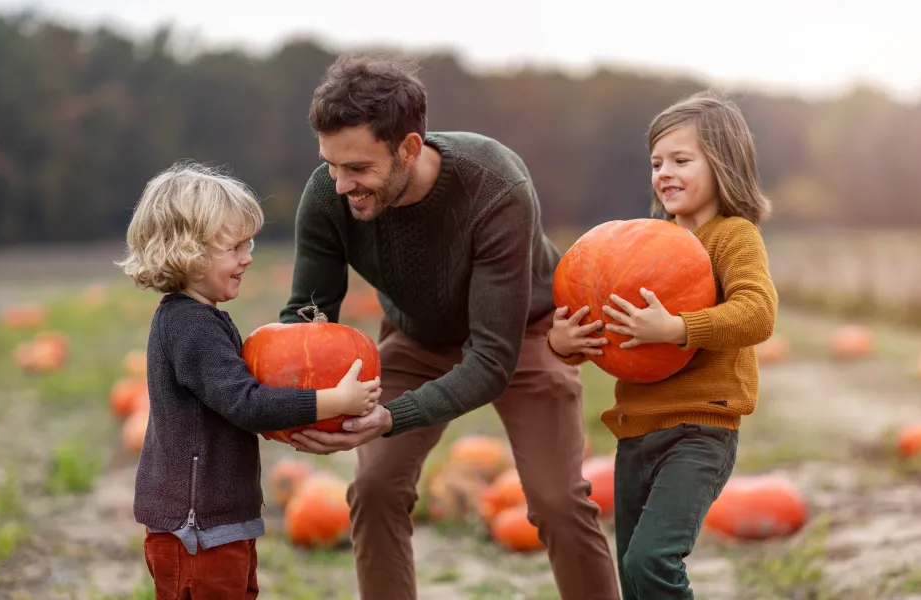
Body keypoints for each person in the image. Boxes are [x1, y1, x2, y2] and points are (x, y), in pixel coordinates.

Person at [278, 55, 621, 600]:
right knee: (373, 487)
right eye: (331, 165)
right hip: (416, 337)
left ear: (409, 149)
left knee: (558, 500)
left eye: (359, 169)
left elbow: (490, 359)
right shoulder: (328, 194)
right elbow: (307, 316)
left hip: (523, 333)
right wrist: (291, 401)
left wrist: (393, 416)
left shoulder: (495, 186)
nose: (341, 185)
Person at [548, 91, 779, 600]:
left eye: (681, 160)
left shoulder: (733, 237)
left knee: (652, 558)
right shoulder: (640, 246)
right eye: (657, 162)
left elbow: (758, 313)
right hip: (637, 431)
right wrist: (563, 342)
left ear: (722, 164)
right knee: (632, 574)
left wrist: (677, 328)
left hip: (701, 428)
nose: (664, 173)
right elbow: (598, 326)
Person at [116, 161, 381, 599]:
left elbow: (232, 406)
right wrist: (330, 401)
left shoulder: (202, 318)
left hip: (216, 522)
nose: (248, 256)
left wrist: (286, 422)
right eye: (235, 246)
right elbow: (246, 403)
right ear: (189, 250)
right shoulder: (190, 326)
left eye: (249, 243)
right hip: (197, 529)